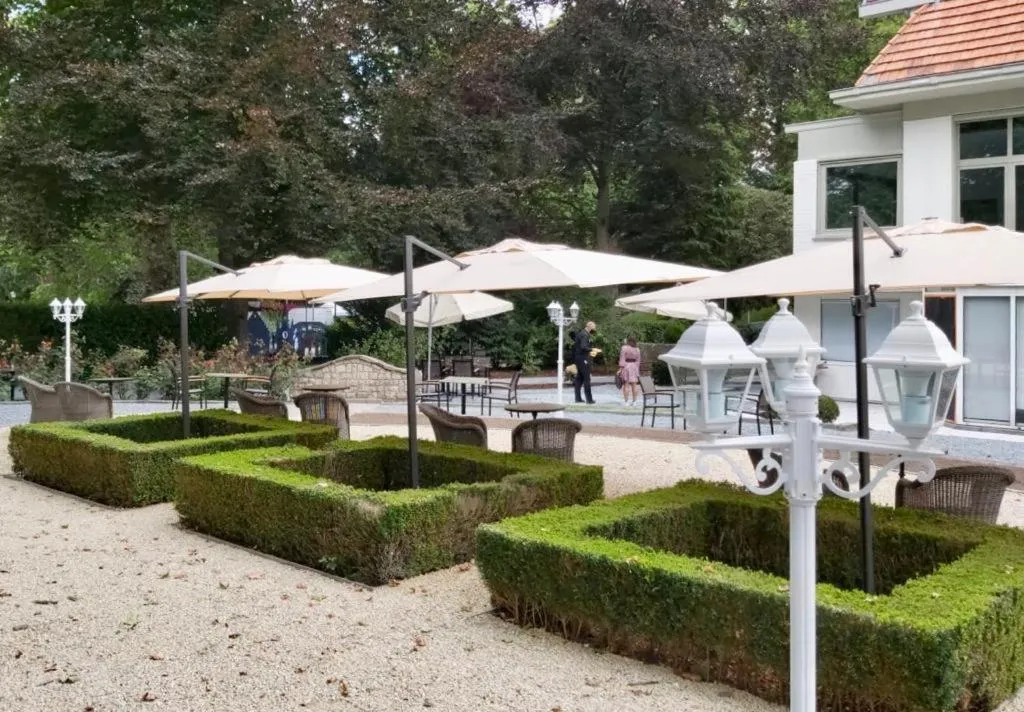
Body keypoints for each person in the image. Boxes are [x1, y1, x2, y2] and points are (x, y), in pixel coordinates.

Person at [572, 321, 597, 404]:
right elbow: (583, 347)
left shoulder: (582, 333)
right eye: (594, 327)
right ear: (589, 326)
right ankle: (589, 399)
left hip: (579, 358)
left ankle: (578, 398)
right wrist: (592, 349)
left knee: (579, 378)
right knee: (586, 378)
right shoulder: (585, 335)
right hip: (583, 358)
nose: (595, 329)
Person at [618, 336, 641, 405]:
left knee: (626, 384)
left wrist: (621, 368)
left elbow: (622, 358)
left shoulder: (624, 348)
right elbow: (638, 360)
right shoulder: (637, 349)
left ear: (628, 341)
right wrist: (636, 368)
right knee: (634, 384)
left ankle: (626, 402)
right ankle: (634, 401)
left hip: (626, 366)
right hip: (634, 366)